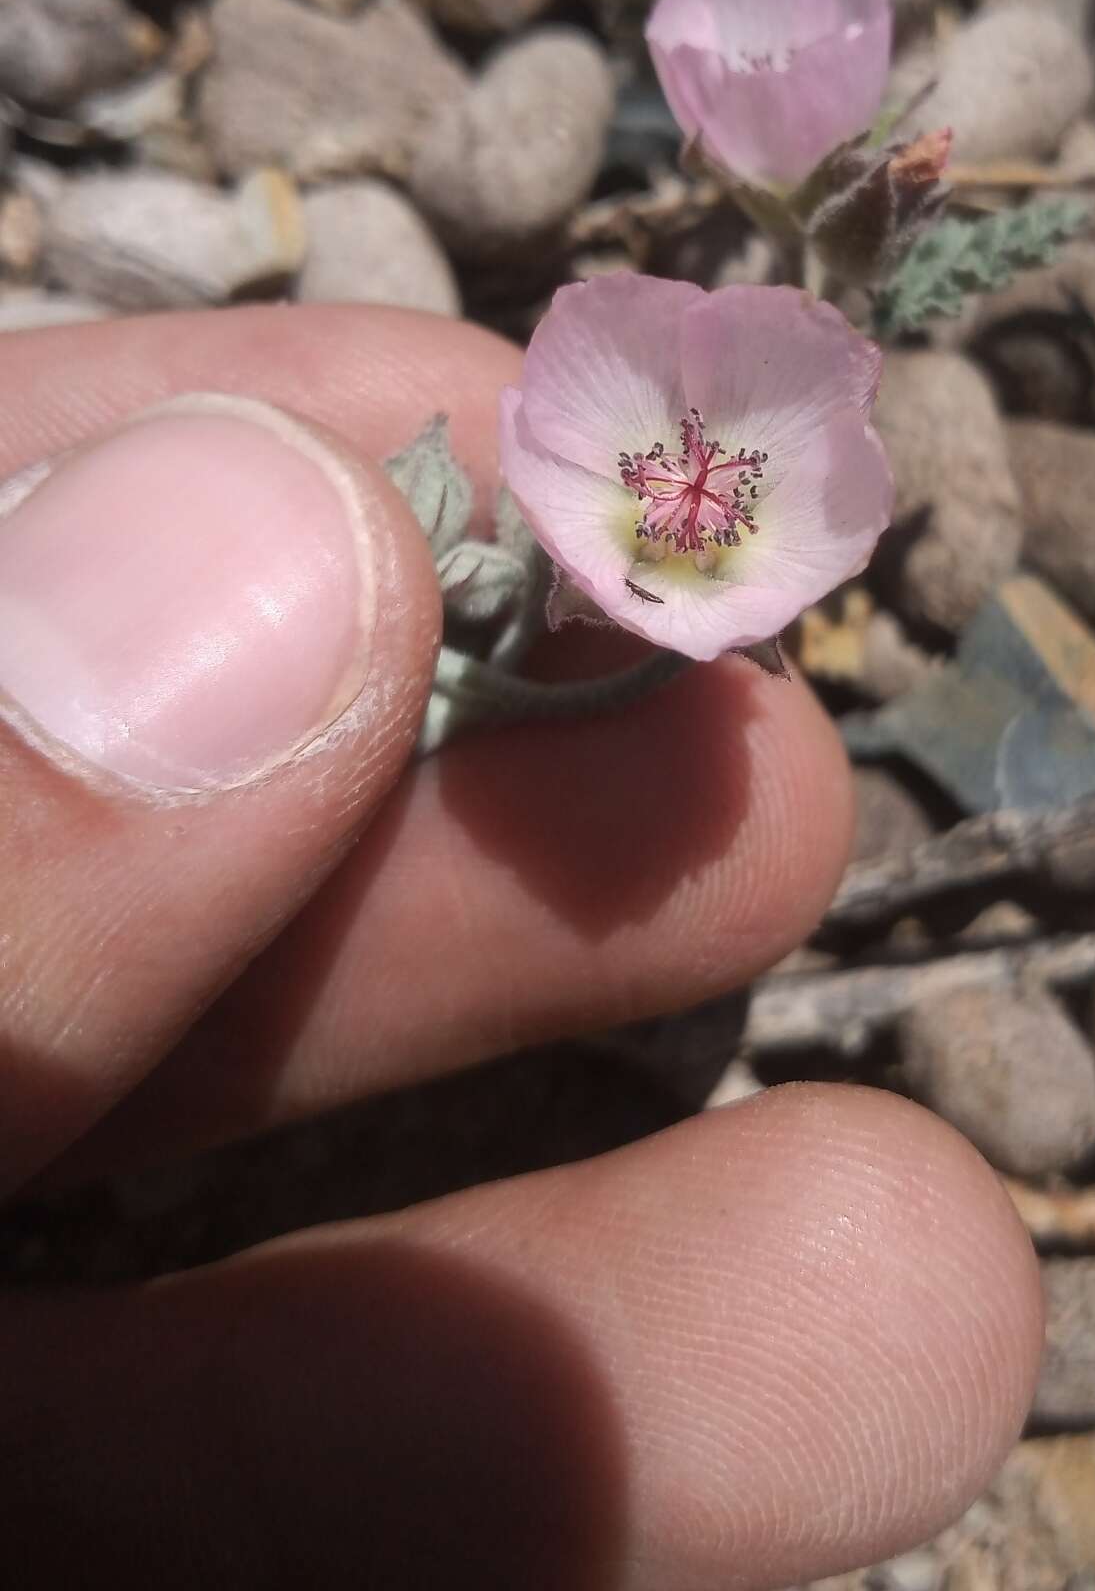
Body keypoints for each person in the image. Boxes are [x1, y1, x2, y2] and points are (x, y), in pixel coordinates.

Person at [0, 303, 1040, 1589]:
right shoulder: (586, 499)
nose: (698, 484)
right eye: (682, 472)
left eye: (714, 480)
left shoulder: (748, 536)